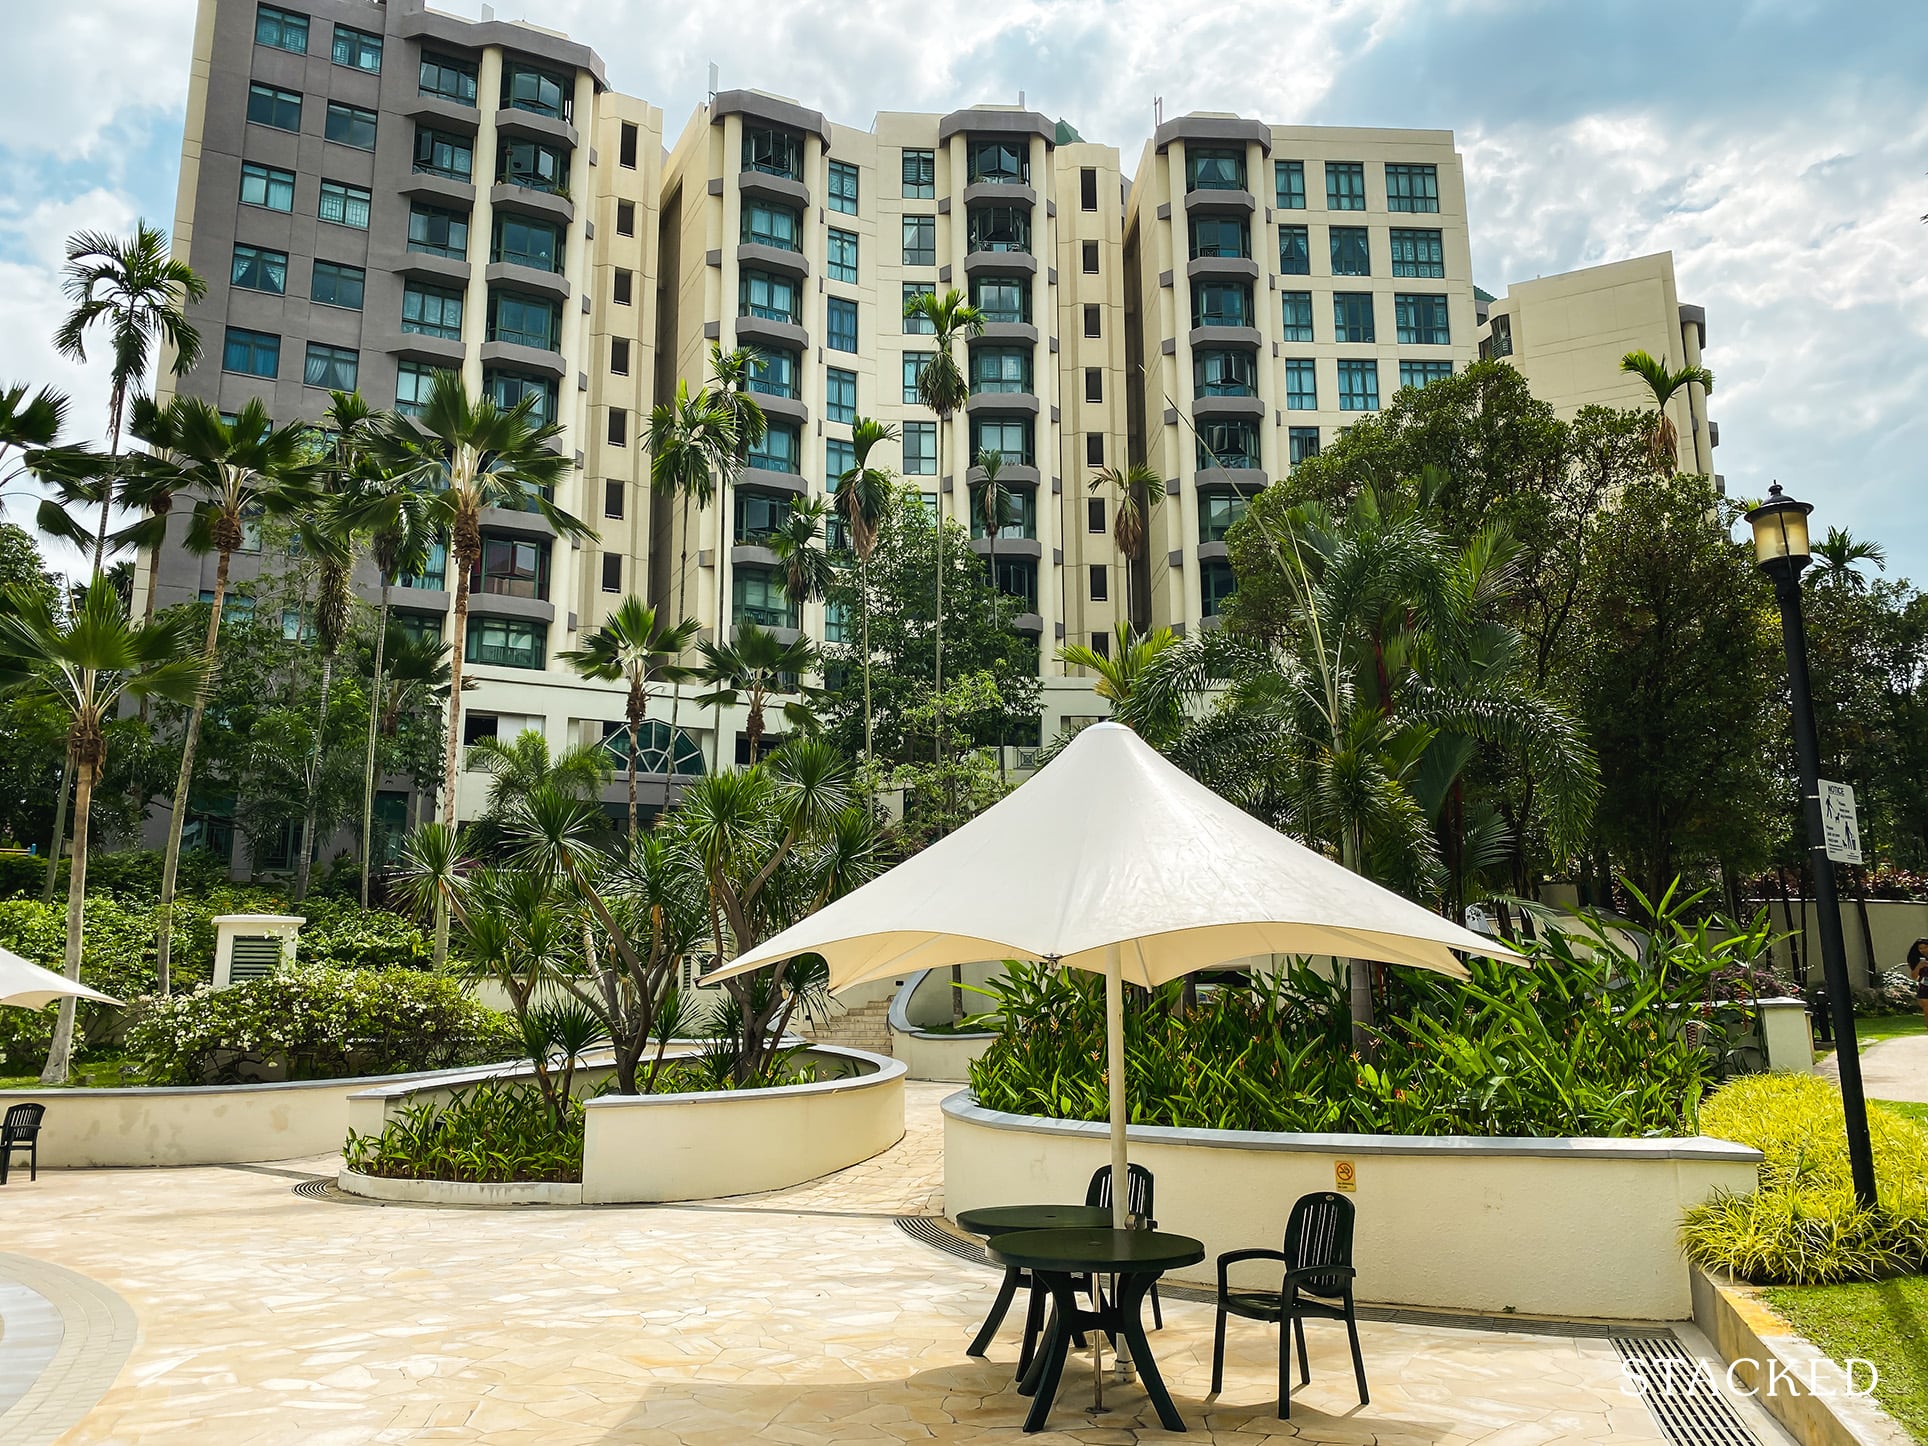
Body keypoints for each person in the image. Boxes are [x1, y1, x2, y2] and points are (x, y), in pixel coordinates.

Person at [1909, 938, 1928, 1024]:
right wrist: (1919, 966)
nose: (1923, 950)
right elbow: (1914, 976)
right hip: (1924, 988)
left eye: (1925, 947)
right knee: (1927, 1012)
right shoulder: (1917, 960)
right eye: (1920, 948)